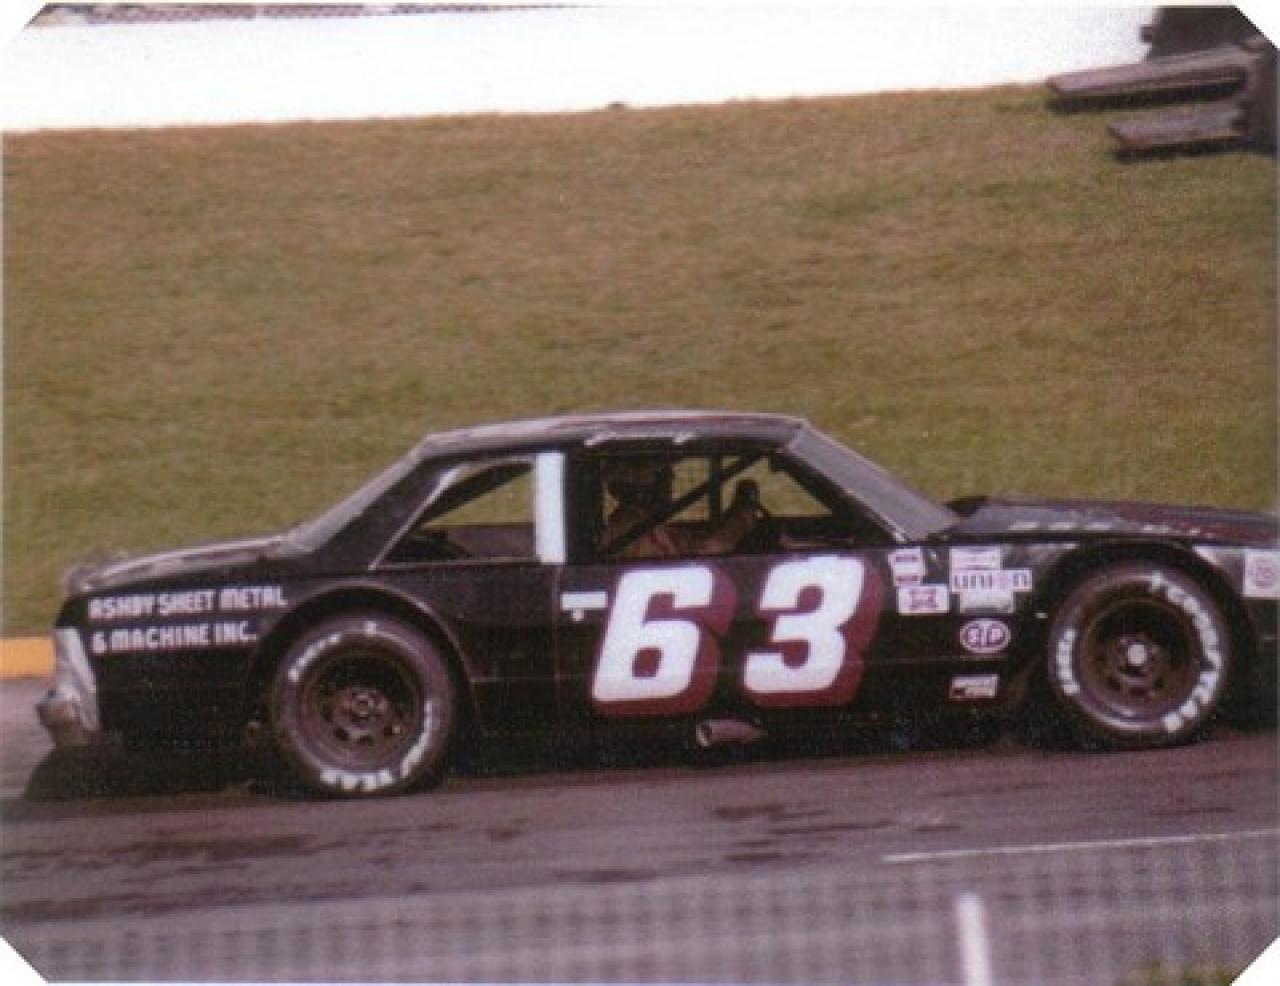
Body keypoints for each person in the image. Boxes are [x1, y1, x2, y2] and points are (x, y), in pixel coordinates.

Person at [601, 459, 763, 559]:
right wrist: (741, 518)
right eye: (664, 479)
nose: (669, 486)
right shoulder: (632, 531)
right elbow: (709, 549)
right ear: (643, 490)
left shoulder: (644, 523)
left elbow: (686, 542)